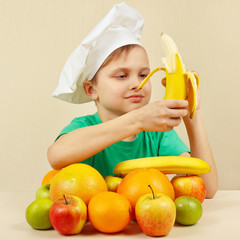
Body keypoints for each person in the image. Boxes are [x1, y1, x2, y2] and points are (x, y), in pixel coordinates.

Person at [47, 3, 218, 198]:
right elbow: (55, 155)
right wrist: (137, 120)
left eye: (144, 74)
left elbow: (207, 188)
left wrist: (193, 113)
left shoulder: (156, 135)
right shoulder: (83, 127)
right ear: (91, 89)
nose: (137, 84)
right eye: (122, 76)